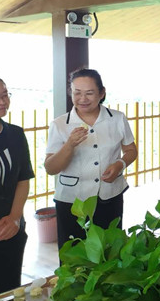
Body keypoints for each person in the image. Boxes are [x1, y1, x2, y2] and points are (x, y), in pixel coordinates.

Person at [45, 68, 137, 250]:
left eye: (89, 93)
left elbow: (131, 150)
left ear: (101, 93)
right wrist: (69, 144)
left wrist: (120, 164)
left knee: (109, 251)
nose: (82, 99)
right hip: (72, 202)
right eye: (77, 93)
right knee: (74, 254)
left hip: (109, 195)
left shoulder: (117, 119)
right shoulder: (60, 124)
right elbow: (50, 168)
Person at [0, 73, 34, 295]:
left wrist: (15, 217)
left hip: (11, 229)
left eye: (5, 95)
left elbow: (23, 178)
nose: (2, 102)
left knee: (9, 294)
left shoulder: (15, 134)